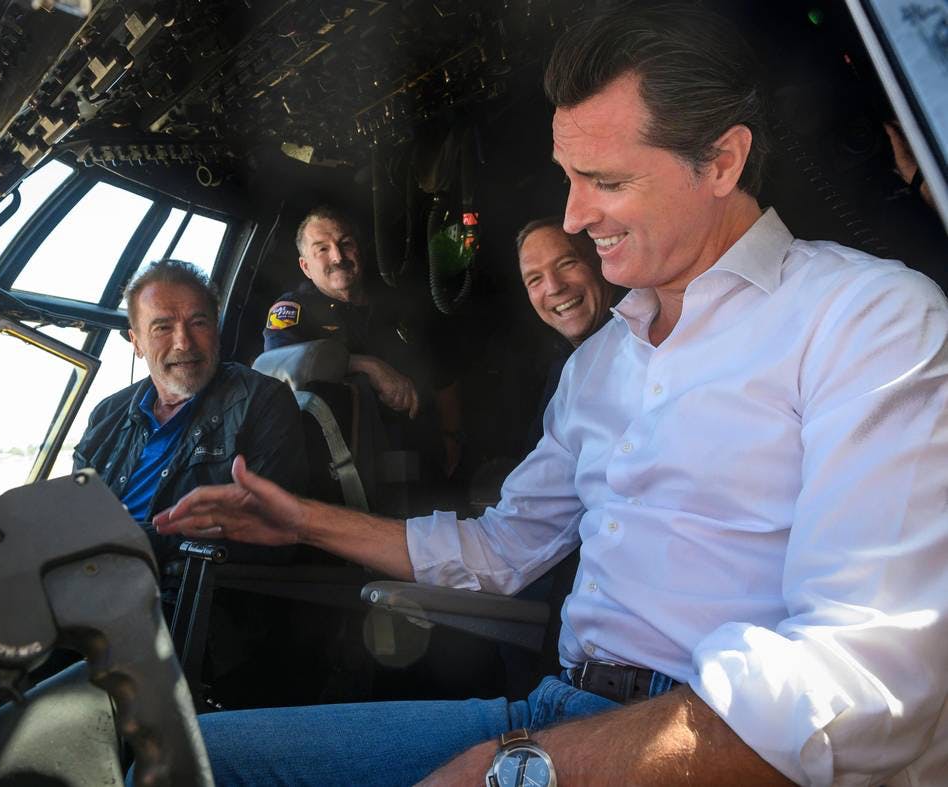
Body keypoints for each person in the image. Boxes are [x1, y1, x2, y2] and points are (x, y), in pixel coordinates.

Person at [154, 4, 948, 785]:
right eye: (569, 177)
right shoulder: (596, 365)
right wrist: (302, 519)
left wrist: (523, 770)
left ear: (721, 163)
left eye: (606, 181)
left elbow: (865, 673)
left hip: (711, 742)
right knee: (186, 757)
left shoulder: (868, 317)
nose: (574, 214)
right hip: (553, 709)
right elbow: (501, 550)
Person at [74, 258, 307, 567]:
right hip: (93, 575)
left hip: (186, 589)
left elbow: (274, 533)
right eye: (162, 327)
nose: (183, 342)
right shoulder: (107, 414)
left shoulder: (261, 402)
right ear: (137, 342)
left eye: (198, 323)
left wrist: (134, 542)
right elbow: (76, 514)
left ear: (216, 329)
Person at [263, 205, 463, 475]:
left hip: (425, 451)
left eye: (345, 243)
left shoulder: (396, 302)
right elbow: (278, 367)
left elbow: (442, 373)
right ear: (306, 266)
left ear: (359, 250)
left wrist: (451, 436)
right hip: (350, 469)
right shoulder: (293, 310)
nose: (338, 256)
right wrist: (367, 365)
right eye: (322, 249)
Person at [516, 218, 621, 448]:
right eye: (535, 279)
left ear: (600, 260)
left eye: (566, 263)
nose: (554, 287)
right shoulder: (561, 365)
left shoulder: (645, 342)